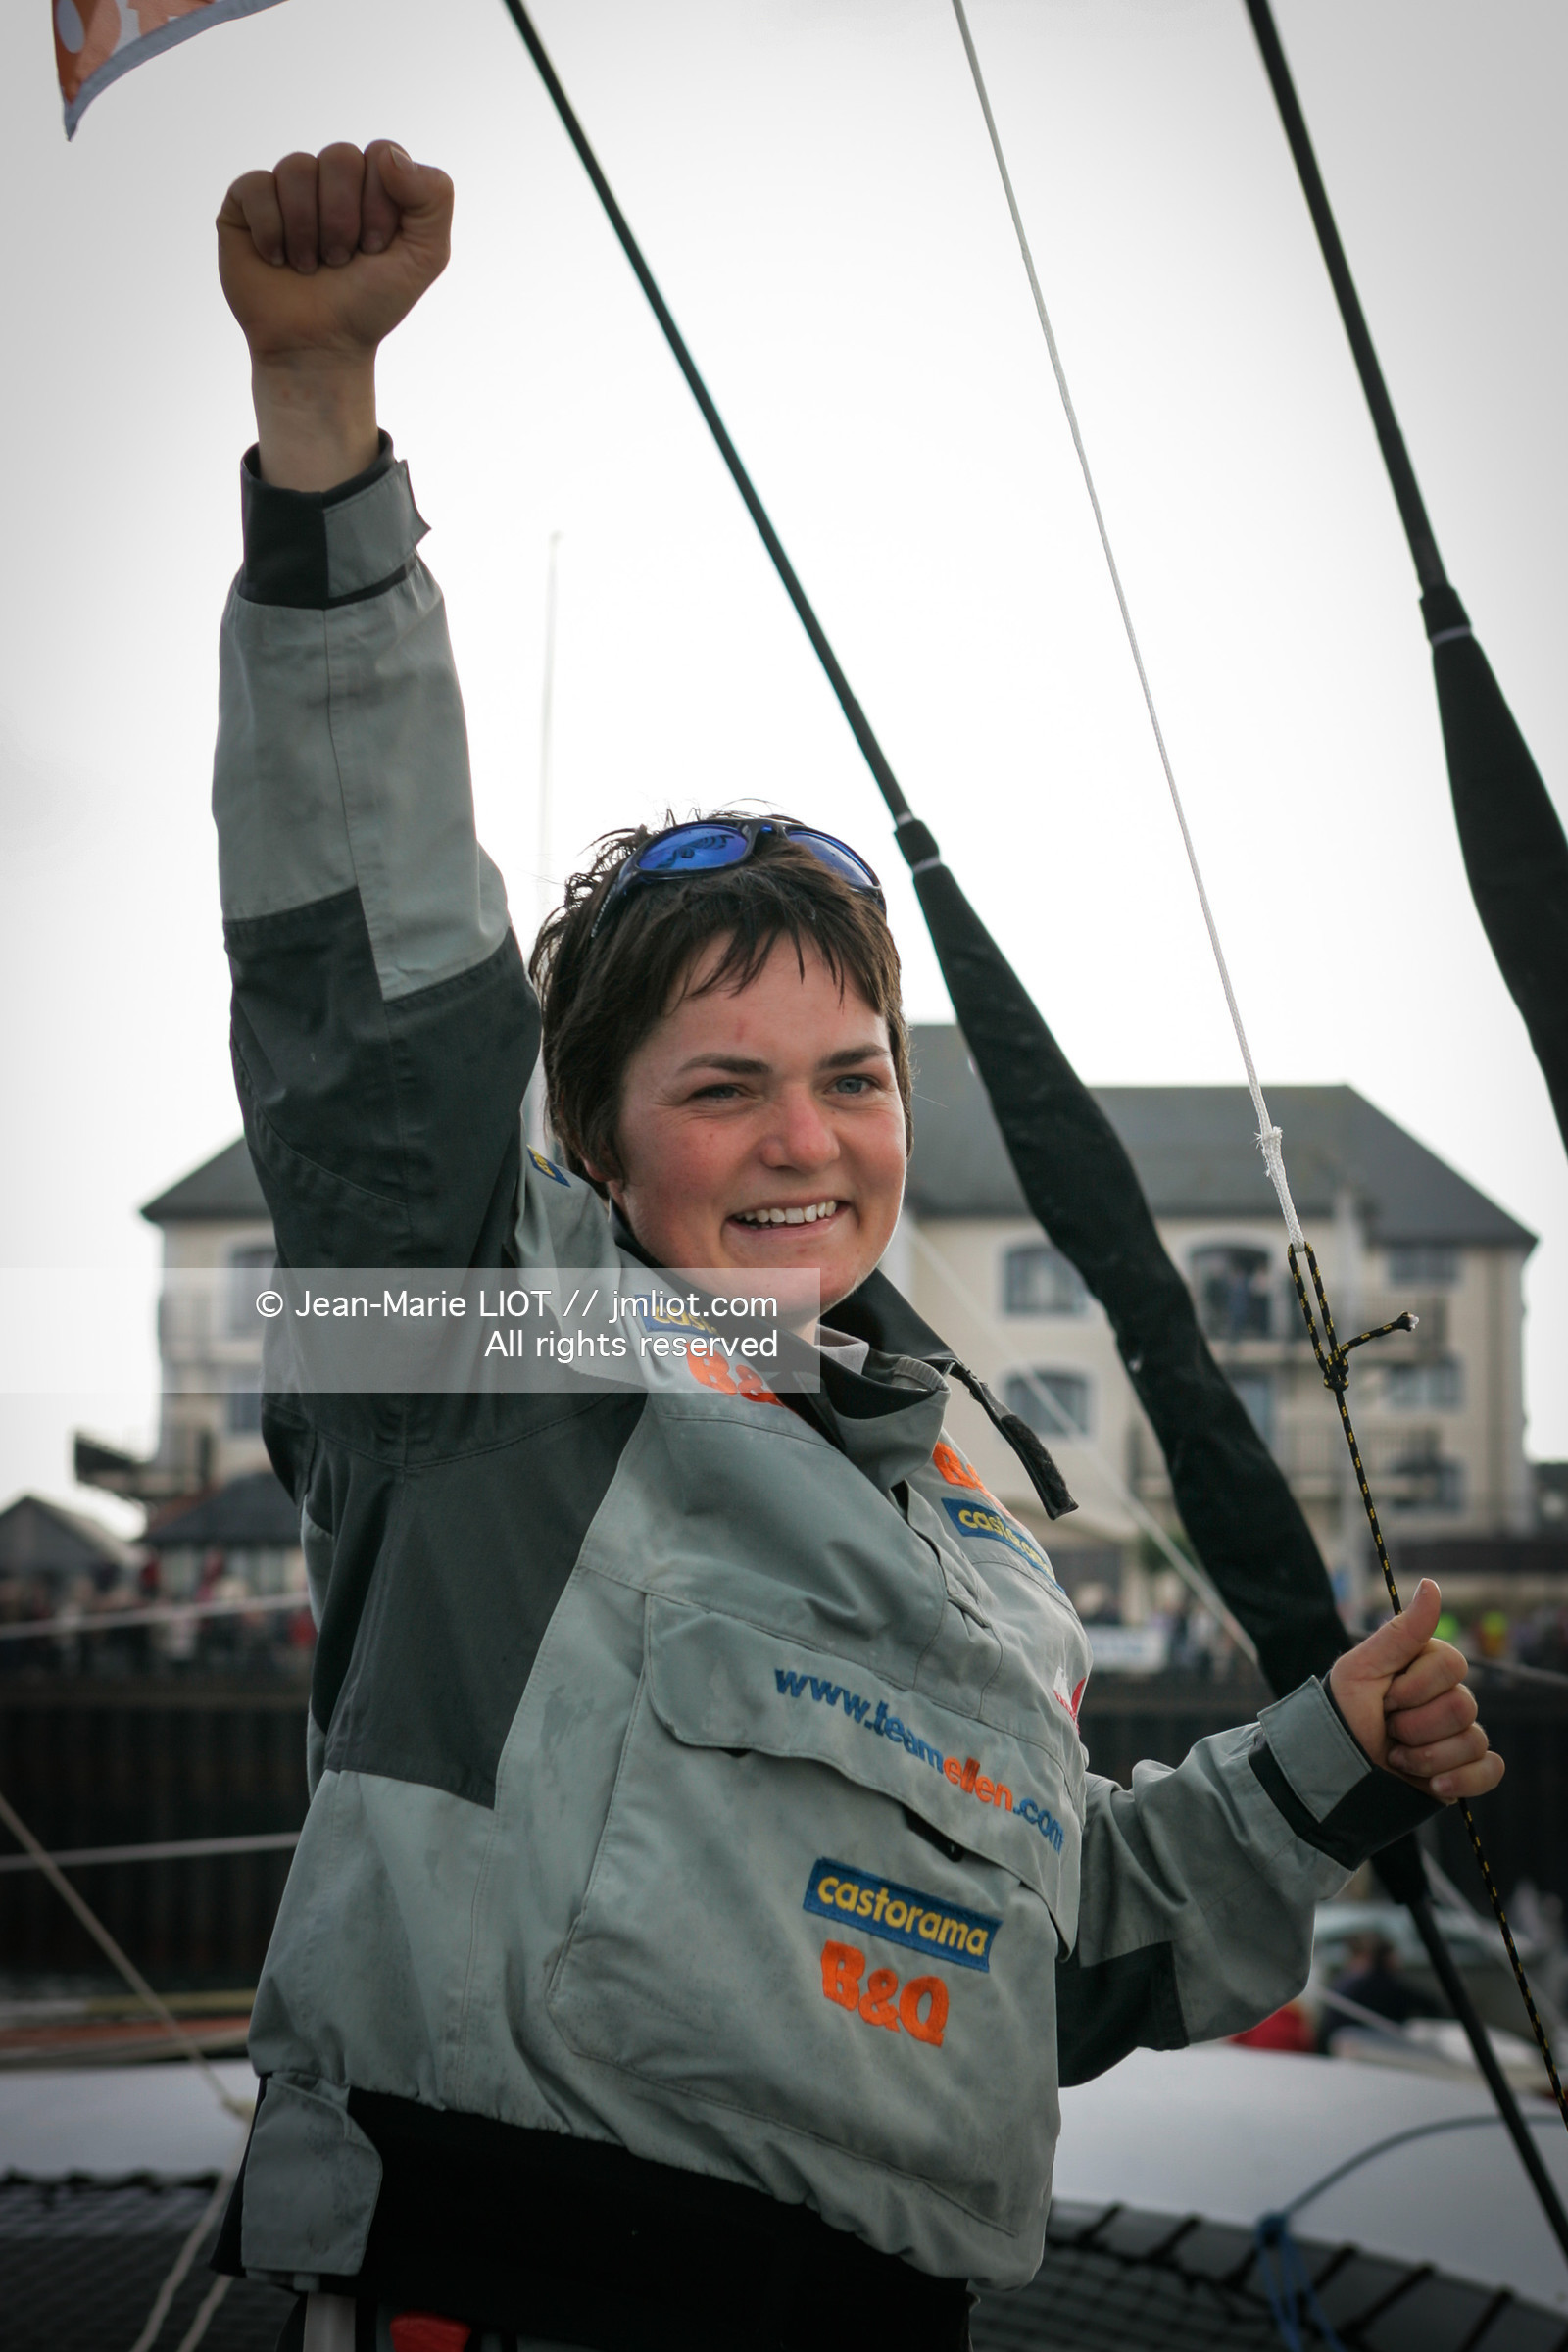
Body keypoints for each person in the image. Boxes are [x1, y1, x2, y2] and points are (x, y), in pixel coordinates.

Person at [208, 140, 1505, 2352]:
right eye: (720, 1087)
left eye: (854, 1078)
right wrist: (321, 429)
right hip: (500, 2288)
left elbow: (1052, 1948)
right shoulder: (480, 1352)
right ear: (591, 1149)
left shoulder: (978, 1499)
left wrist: (1323, 1761)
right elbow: (367, 1001)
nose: (804, 1143)